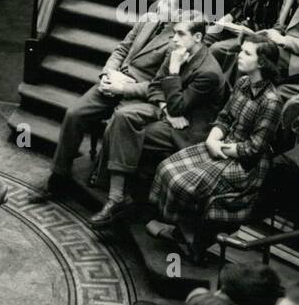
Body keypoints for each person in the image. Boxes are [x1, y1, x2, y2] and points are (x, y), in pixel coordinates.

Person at [149, 37, 282, 263]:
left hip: (244, 164)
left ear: (262, 63)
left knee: (184, 183)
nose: (239, 55)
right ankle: (184, 231)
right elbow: (225, 116)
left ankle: (191, 238)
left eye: (247, 53)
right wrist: (213, 138)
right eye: (241, 50)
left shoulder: (271, 101)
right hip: (222, 144)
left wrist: (221, 148)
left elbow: (255, 147)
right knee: (166, 168)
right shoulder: (242, 84)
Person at [88, 14, 224, 231]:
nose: (175, 38)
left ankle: (126, 199)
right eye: (175, 32)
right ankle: (117, 198)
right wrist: (165, 109)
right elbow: (153, 87)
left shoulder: (208, 72)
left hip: (187, 130)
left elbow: (178, 106)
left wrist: (173, 72)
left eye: (181, 34)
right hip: (169, 115)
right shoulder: (177, 52)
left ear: (198, 37)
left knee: (124, 130)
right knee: (123, 118)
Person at [41, 0, 179, 199]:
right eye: (161, 0)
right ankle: (58, 176)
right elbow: (121, 49)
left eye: (168, 4)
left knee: (115, 125)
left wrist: (122, 88)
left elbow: (158, 85)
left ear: (179, 12)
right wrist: (107, 74)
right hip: (113, 80)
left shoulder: (176, 40)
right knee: (74, 114)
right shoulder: (147, 19)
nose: (160, 5)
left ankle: (101, 181)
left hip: (135, 95)